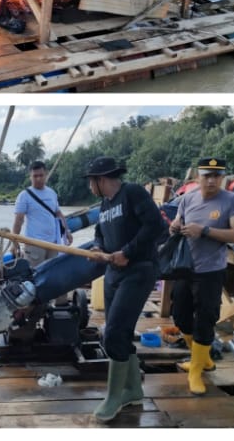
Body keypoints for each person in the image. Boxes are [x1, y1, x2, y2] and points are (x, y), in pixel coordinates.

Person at [85, 155, 164, 422]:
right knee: (121, 332)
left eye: (91, 181)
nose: (89, 187)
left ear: (102, 179)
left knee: (113, 333)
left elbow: (157, 226)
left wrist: (128, 252)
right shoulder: (105, 204)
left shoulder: (132, 192)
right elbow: (100, 233)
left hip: (139, 270)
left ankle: (114, 397)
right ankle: (133, 390)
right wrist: (97, 248)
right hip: (113, 273)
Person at [168, 157, 234, 396]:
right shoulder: (187, 198)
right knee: (180, 315)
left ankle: (196, 369)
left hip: (211, 270)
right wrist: (175, 226)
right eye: (207, 175)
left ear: (222, 177)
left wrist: (203, 230)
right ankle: (202, 359)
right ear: (198, 177)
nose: (211, 180)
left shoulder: (233, 201)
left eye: (216, 176)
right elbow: (177, 220)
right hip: (185, 267)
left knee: (205, 318)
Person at [12, 160, 72, 303]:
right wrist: (14, 242)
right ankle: (33, 310)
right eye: (35, 176)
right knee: (34, 279)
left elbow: (58, 213)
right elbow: (18, 220)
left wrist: (67, 231)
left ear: (46, 174)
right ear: (30, 177)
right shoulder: (24, 195)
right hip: (34, 244)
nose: (38, 179)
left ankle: (57, 308)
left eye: (41, 175)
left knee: (55, 276)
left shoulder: (51, 193)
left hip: (53, 243)